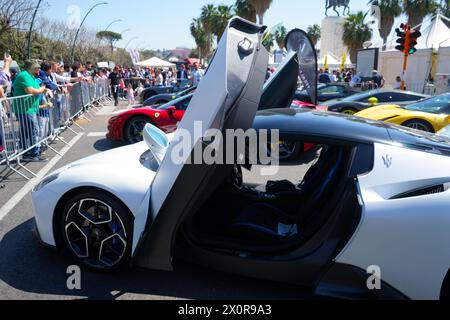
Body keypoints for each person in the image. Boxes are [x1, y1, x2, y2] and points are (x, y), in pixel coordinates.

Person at [12, 60, 50, 162]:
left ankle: (28, 153)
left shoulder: (31, 77)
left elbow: (38, 88)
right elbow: (31, 91)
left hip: (29, 109)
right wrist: (42, 89)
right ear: (31, 68)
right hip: (25, 109)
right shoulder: (24, 75)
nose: (39, 69)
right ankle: (32, 154)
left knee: (28, 132)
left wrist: (45, 89)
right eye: (37, 68)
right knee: (33, 130)